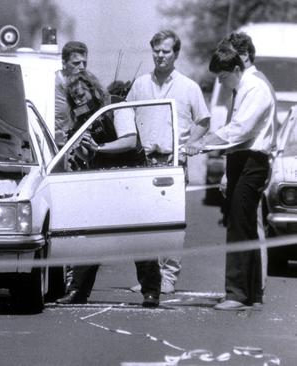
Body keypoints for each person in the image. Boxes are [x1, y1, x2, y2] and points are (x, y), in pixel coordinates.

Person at [56, 70, 159, 308]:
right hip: (103, 180)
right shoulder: (83, 118)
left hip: (130, 176)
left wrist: (99, 147)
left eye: (81, 94)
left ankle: (151, 291)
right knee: (93, 236)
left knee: (140, 236)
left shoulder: (116, 107)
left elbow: (129, 140)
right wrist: (83, 148)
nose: (79, 100)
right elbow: (87, 155)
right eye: (74, 98)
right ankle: (78, 291)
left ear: (93, 89)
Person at [185, 46, 274, 310]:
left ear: (237, 69)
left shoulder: (254, 88)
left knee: (238, 226)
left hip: (251, 161)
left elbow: (240, 129)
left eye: (223, 77)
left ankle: (237, 294)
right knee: (243, 226)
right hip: (241, 160)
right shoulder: (243, 88)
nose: (221, 83)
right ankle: (252, 293)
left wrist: (202, 142)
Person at [126, 30, 211, 294]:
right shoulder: (139, 85)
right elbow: (125, 116)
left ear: (176, 54)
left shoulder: (189, 87)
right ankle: (148, 278)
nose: (160, 56)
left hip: (173, 163)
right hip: (144, 162)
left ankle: (169, 277)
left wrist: (188, 146)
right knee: (144, 222)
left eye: (166, 51)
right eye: (157, 51)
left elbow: (203, 121)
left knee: (171, 222)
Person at [54, 41, 89, 148]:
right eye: (76, 63)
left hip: (72, 146)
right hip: (51, 145)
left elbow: (81, 113)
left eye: (84, 62)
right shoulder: (51, 82)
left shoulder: (82, 84)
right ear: (64, 63)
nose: (82, 67)